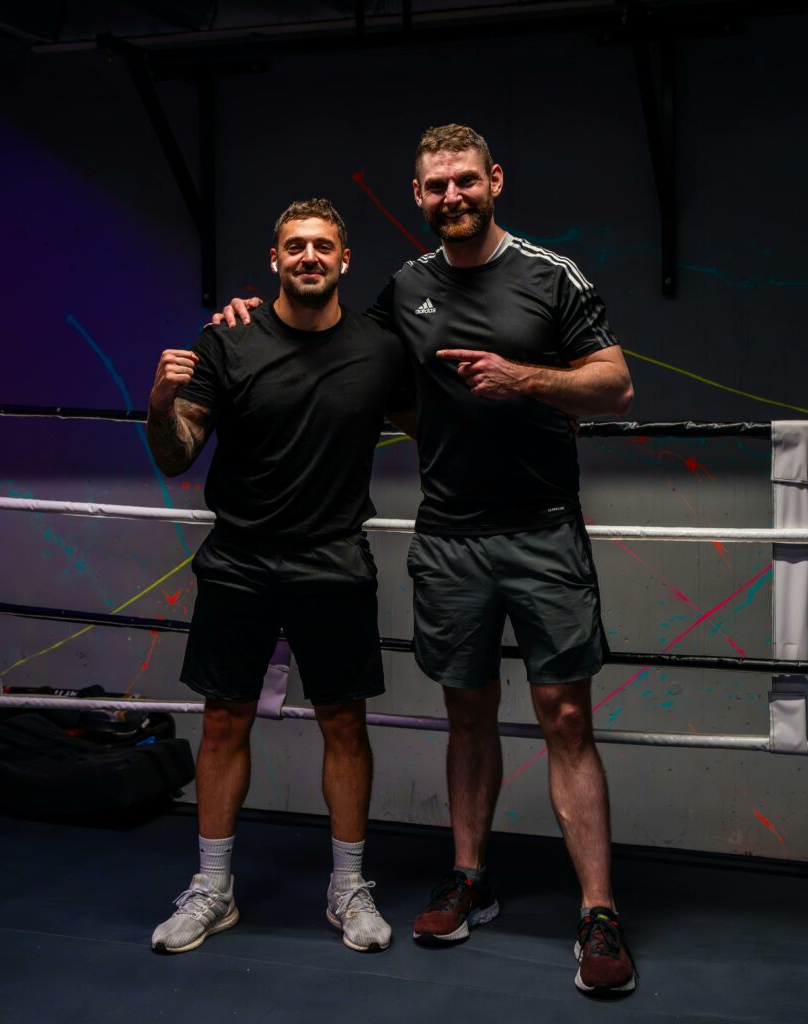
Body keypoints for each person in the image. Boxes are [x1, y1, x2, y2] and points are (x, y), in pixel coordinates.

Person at [217, 125, 636, 996]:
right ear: (417, 196)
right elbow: (332, 337)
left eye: (465, 181)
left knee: (564, 717)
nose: (452, 196)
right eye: (436, 186)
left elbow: (614, 384)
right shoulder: (404, 287)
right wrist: (246, 318)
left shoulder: (549, 276)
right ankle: (469, 877)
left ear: (495, 181)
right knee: (467, 711)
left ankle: (598, 911)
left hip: (542, 528)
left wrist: (524, 379)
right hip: (448, 534)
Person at [147, 198, 414, 957]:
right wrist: (161, 402)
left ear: (343, 259)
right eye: (294, 245)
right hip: (239, 557)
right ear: (273, 260)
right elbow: (175, 453)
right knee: (225, 720)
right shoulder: (227, 339)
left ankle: (348, 888)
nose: (307, 256)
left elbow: (440, 425)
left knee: (344, 723)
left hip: (331, 556)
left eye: (321, 246)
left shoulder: (379, 347)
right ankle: (212, 889)